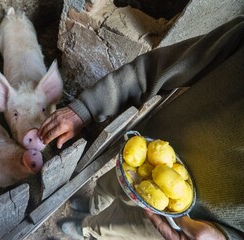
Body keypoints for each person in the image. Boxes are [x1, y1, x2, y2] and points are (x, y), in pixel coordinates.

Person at [38, 15, 244, 240]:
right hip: (142, 153)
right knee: (107, 186)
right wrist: (88, 106)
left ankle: (87, 228)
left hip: (188, 223)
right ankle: (93, 206)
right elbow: (164, 65)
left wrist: (227, 237)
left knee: (116, 227)